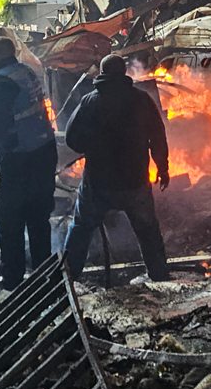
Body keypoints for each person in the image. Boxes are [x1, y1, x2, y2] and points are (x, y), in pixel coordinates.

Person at [62, 55, 170, 281]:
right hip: (135, 181)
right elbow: (158, 136)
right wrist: (162, 167)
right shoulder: (141, 100)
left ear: (102, 73)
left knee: (81, 228)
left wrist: (90, 147)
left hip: (98, 184)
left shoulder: (90, 101)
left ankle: (67, 278)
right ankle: (159, 276)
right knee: (148, 231)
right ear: (123, 73)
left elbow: (72, 138)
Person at [0, 36, 57, 290]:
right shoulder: (25, 71)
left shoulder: (0, 82)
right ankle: (45, 275)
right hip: (44, 151)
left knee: (9, 219)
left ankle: (13, 279)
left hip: (20, 158)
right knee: (38, 217)